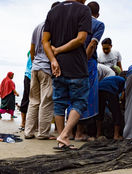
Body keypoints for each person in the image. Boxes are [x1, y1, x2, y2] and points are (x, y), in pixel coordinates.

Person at [42, 0, 91, 150]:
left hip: (58, 67)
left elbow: (45, 41)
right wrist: (59, 51)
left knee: (59, 102)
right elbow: (81, 39)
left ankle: (61, 139)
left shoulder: (53, 11)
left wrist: (53, 60)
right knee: (80, 102)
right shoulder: (84, 10)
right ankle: (64, 135)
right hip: (76, 65)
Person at [24, 2, 60, 140]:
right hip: (46, 67)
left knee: (34, 101)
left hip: (35, 68)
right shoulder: (55, 27)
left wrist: (34, 63)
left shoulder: (38, 26)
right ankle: (43, 133)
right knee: (46, 101)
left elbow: (31, 50)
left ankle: (28, 132)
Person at [71, 1, 104, 141]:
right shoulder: (98, 24)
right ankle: (79, 132)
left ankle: (69, 132)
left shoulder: (76, 22)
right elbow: (92, 44)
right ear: (97, 13)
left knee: (72, 95)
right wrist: (83, 62)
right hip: (86, 62)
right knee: (85, 97)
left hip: (71, 61)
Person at [96, 75, 125, 140]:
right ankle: (116, 135)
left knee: (100, 112)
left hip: (99, 89)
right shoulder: (123, 80)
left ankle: (98, 134)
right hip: (110, 90)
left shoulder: (112, 78)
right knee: (117, 113)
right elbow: (123, 95)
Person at [19, 52, 32, 130]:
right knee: (27, 98)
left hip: (29, 75)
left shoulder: (30, 50)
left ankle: (24, 122)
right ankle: (23, 122)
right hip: (30, 74)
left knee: (27, 98)